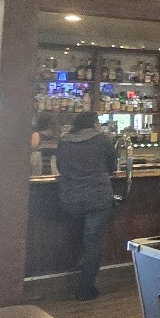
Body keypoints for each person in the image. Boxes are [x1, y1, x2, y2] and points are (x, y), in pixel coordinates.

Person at [54, 111, 117, 300]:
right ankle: (85, 288)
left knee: (78, 239)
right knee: (92, 243)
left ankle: (66, 281)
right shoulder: (102, 140)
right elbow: (111, 167)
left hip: (70, 199)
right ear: (94, 123)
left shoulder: (64, 141)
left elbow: (61, 166)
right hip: (97, 198)